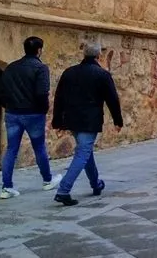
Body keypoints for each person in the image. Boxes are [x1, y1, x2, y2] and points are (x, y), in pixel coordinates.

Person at [51, 42, 124, 206]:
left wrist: (57, 121)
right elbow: (112, 100)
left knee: (86, 151)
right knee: (83, 153)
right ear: (99, 56)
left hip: (71, 119)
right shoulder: (102, 75)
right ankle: (63, 190)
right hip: (89, 121)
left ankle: (96, 184)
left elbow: (59, 97)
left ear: (84, 55)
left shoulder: (69, 72)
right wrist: (117, 121)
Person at [0, 36, 62, 199]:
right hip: (33, 114)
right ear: (39, 50)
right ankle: (47, 180)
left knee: (11, 149)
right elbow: (42, 93)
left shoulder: (11, 67)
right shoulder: (40, 68)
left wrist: (8, 106)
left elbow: (0, 91)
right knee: (39, 147)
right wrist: (43, 110)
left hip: (13, 113)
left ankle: (7, 187)